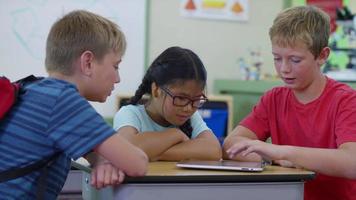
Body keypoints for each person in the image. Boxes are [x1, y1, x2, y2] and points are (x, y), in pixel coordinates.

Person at [0, 10, 148, 199]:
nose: (117, 78)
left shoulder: (32, 87)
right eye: (115, 66)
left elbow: (90, 148)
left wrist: (103, 160)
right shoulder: (62, 100)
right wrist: (109, 159)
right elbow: (138, 163)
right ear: (88, 62)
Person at [223, 6, 356, 200]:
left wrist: (283, 152)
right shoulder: (273, 99)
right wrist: (274, 158)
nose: (284, 69)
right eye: (277, 58)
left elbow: (352, 163)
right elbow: (231, 145)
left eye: (295, 60)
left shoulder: (345, 100)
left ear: (322, 56)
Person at [113, 46, 222, 161]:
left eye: (197, 99)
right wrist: (175, 134)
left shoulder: (191, 117)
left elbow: (214, 150)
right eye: (181, 98)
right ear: (156, 90)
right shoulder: (130, 114)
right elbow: (126, 149)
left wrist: (154, 153)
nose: (188, 108)